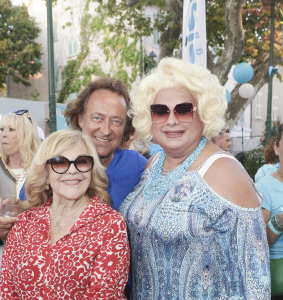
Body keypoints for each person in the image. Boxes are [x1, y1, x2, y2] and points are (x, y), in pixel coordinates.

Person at [119, 57, 270, 299]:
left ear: (204, 113)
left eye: (183, 109)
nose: (171, 120)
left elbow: (254, 279)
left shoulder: (225, 171)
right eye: (160, 111)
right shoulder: (153, 164)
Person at [0, 129, 130, 299]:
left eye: (82, 161)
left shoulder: (110, 225)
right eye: (60, 162)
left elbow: (104, 295)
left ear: (91, 170)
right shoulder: (23, 223)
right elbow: (6, 291)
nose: (72, 170)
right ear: (45, 174)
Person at [64, 77, 147, 210]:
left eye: (116, 121)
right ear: (81, 119)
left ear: (125, 126)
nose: (106, 130)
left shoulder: (137, 165)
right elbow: (25, 208)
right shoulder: (56, 163)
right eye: (97, 118)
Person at [0, 110, 40, 299]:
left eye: (11, 129)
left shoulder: (40, 172)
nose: (3, 134)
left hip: (32, 261)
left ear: (25, 135)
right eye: (1, 129)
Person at [255, 124, 283, 298]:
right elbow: (257, 241)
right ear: (276, 147)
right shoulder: (264, 187)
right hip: (277, 279)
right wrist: (280, 220)